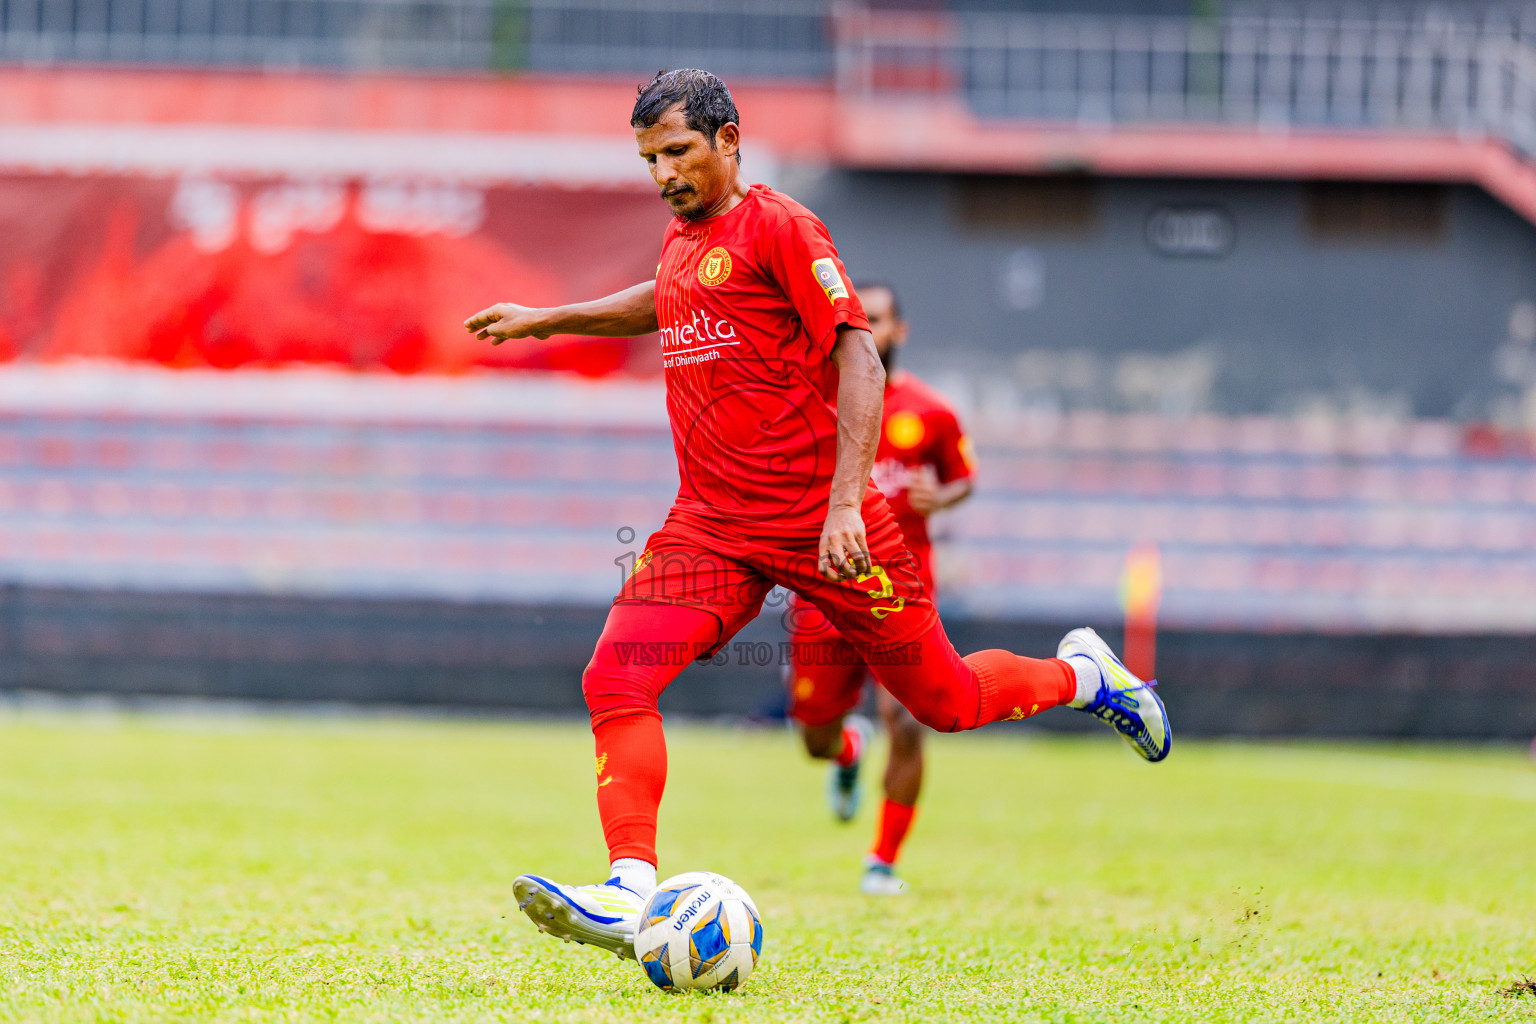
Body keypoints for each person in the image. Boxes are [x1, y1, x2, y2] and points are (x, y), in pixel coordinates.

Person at [463, 68, 1170, 961]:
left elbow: (860, 359)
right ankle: (629, 889)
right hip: (711, 526)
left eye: (677, 151)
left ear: (728, 138)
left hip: (825, 523)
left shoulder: (783, 226)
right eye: (648, 158)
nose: (662, 173)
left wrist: (846, 504)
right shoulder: (684, 239)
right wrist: (548, 318)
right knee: (616, 677)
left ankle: (1085, 676)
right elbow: (665, 299)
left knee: (944, 701)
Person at [787, 279, 974, 896]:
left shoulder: (932, 412)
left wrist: (940, 496)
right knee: (812, 736)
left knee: (911, 718)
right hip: (824, 585)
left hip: (902, 586)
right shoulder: (816, 398)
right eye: (857, 317)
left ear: (899, 330)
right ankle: (844, 751)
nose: (867, 326)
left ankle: (882, 863)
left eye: (879, 318)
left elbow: (963, 478)